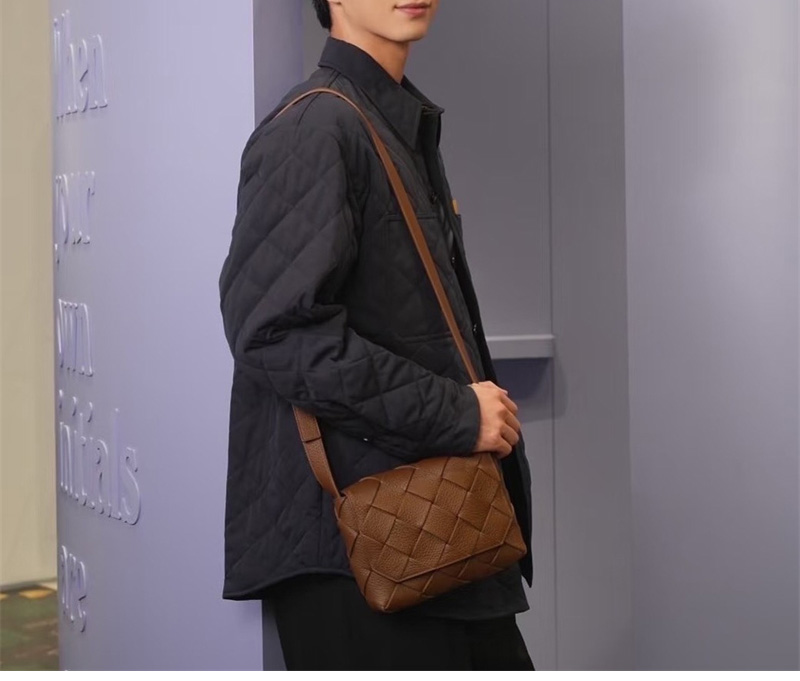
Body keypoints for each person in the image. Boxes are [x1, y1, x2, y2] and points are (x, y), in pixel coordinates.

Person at [218, 0, 535, 670]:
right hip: (363, 554)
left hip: (431, 538)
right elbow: (274, 332)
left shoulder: (386, 122)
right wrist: (456, 412)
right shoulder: (315, 128)